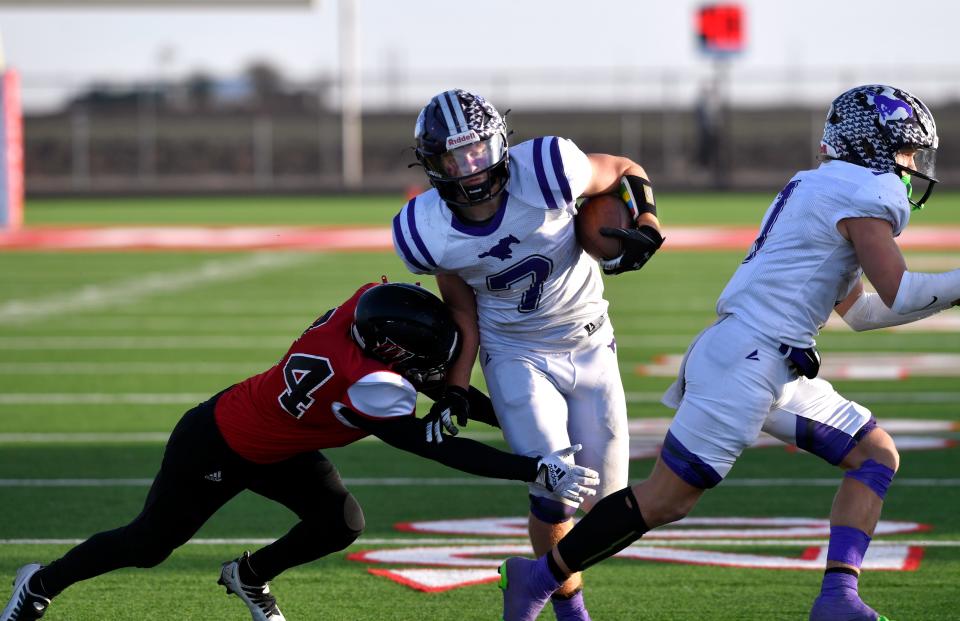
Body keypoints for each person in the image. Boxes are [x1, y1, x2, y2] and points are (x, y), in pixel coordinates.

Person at [498, 84, 959, 621]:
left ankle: (839, 598)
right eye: (905, 150)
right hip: (748, 361)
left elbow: (862, 312)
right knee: (666, 500)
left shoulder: (828, 186)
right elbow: (900, 292)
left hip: (770, 362)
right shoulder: (858, 191)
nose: (910, 164)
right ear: (874, 146)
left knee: (875, 455)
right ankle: (536, 577)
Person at [0, 281, 600, 621]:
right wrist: (534, 465)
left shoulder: (363, 307)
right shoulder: (375, 385)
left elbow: (437, 390)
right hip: (219, 441)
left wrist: (511, 417)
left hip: (286, 436)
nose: (432, 368)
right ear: (391, 356)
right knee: (149, 544)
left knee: (340, 522)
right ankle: (39, 582)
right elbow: (440, 448)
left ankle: (248, 575)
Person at [392, 89, 664, 621]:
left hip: (590, 342)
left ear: (498, 144)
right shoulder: (425, 231)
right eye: (454, 158)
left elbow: (624, 169)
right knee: (555, 489)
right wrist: (454, 386)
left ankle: (533, 576)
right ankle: (569, 611)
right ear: (432, 164)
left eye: (476, 152)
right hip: (516, 352)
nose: (469, 169)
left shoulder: (547, 167)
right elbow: (463, 312)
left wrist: (648, 222)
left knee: (609, 508)